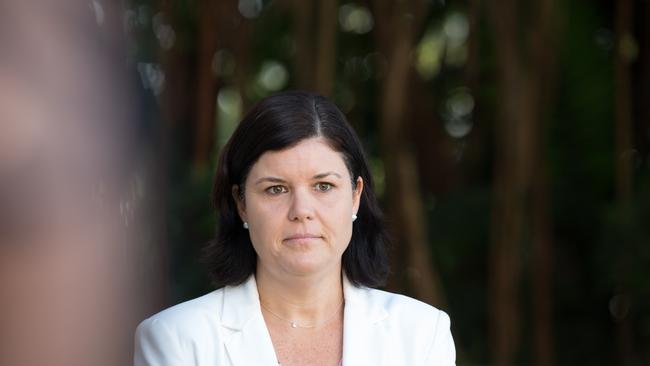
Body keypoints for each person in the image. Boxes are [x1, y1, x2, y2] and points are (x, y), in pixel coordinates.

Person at [134, 91, 456, 365]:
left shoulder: (422, 335)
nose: (302, 211)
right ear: (241, 202)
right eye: (276, 189)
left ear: (356, 196)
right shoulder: (177, 340)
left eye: (324, 186)